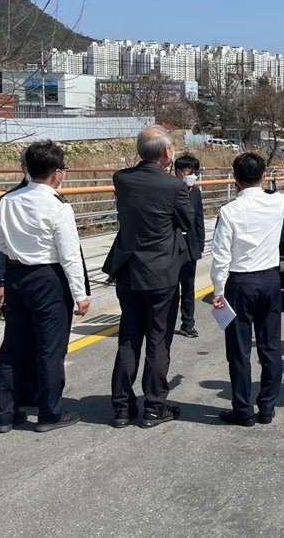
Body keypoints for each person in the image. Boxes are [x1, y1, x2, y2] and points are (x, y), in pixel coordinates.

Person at [211, 153, 284, 426]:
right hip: (270, 281)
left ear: (234, 179)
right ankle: (268, 407)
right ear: (264, 176)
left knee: (238, 351)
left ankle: (243, 410)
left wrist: (217, 289)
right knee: (270, 346)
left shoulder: (229, 211)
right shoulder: (276, 203)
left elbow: (220, 256)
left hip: (239, 283)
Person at [0, 140, 90, 433]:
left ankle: (5, 415)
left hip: (16, 276)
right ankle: (49, 414)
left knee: (11, 347)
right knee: (50, 349)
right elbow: (70, 254)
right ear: (57, 172)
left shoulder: (8, 200)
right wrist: (80, 295)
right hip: (48, 278)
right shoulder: (59, 205)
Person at [103, 125, 194, 429]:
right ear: (168, 152)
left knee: (129, 337)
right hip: (161, 273)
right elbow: (186, 222)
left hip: (128, 270)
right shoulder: (175, 187)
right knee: (158, 339)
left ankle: (121, 408)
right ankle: (154, 407)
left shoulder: (122, 179)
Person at [0, 150, 38, 408]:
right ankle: (13, 397)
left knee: (37, 342)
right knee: (16, 343)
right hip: (16, 278)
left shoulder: (53, 198)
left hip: (38, 280)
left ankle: (30, 391)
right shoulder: (8, 200)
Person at [173, 154, 205, 338]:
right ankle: (167, 322)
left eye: (195, 172)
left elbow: (199, 219)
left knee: (188, 286)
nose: (193, 176)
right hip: (173, 245)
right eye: (190, 172)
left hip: (190, 245)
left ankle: (188, 323)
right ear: (179, 172)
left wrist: (200, 243)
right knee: (170, 288)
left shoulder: (196, 192)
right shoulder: (169, 190)